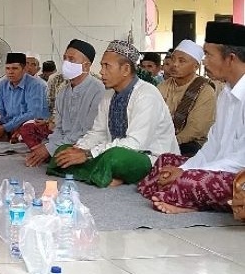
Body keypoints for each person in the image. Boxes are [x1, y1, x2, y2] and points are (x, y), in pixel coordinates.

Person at [138, 21, 245, 214]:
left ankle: (186, 201)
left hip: (239, 177)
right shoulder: (226, 94)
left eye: (208, 55)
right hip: (218, 169)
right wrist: (185, 167)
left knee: (191, 180)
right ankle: (184, 197)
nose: (204, 61)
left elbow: (241, 160)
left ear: (230, 59)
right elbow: (212, 145)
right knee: (164, 162)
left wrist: (189, 172)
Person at [47, 39, 179, 187]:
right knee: (63, 151)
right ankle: (105, 175)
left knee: (115, 157)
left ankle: (101, 173)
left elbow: (136, 143)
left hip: (148, 156)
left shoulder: (147, 94)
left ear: (125, 70)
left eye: (107, 66)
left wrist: (88, 154)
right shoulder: (108, 95)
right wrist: (79, 148)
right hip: (111, 150)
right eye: (102, 65)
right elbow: (98, 132)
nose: (101, 71)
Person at [24, 39, 104, 167]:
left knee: (62, 156)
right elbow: (59, 128)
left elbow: (89, 132)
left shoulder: (98, 91)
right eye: (65, 58)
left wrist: (50, 149)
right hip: (63, 142)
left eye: (71, 59)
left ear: (86, 66)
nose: (66, 63)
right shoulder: (63, 92)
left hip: (86, 144)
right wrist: (50, 145)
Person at [157, 40, 216, 157]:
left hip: (190, 145)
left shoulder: (204, 90)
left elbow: (195, 130)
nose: (174, 64)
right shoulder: (163, 86)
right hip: (162, 140)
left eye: (181, 61)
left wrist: (168, 143)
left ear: (196, 66)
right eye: (173, 59)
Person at [0, 52, 48, 144]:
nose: (10, 72)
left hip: (29, 126)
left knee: (27, 128)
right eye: (7, 68)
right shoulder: (1, 85)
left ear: (24, 69)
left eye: (15, 68)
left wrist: (5, 127)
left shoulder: (36, 85)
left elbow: (33, 114)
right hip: (8, 126)